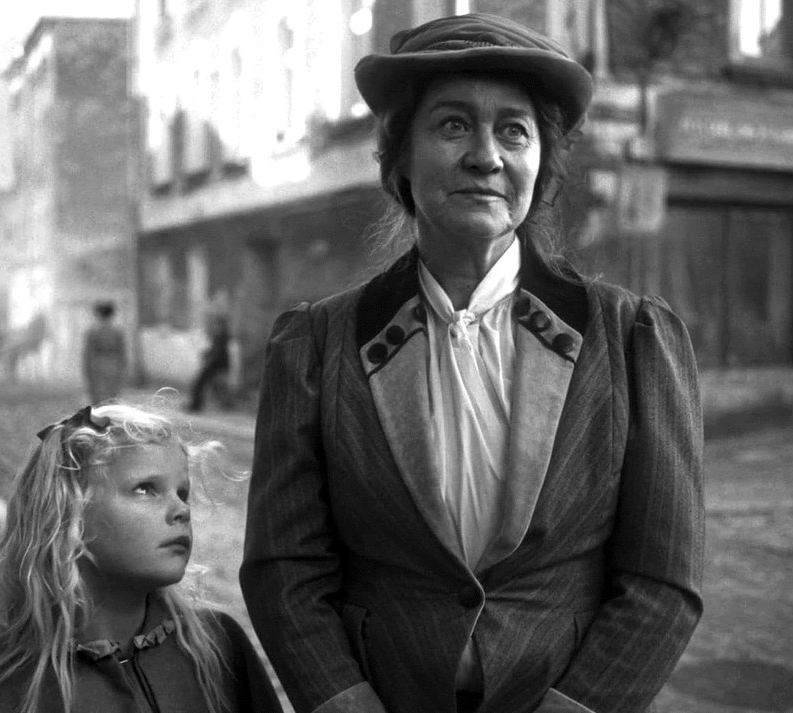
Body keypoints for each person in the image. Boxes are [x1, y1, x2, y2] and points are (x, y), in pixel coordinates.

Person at [240, 13, 703, 713]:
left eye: (513, 130)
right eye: (452, 125)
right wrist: (342, 699)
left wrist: (578, 705)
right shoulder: (316, 345)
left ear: (540, 162)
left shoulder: (629, 335)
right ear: (398, 158)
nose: (485, 155)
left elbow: (662, 576)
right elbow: (284, 566)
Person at [0, 403, 281, 713]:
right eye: (146, 489)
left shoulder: (220, 647)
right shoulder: (6, 696)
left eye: (182, 492)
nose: (180, 510)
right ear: (70, 516)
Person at [83, 301, 128, 404]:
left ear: (99, 314)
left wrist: (87, 368)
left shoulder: (93, 331)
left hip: (97, 365)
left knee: (97, 396)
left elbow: (88, 352)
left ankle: (98, 417)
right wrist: (123, 366)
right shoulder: (118, 332)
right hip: (114, 365)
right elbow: (122, 351)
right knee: (112, 395)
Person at [187, 315, 231, 413]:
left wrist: (209, 359)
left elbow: (218, 352)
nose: (215, 326)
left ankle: (195, 405)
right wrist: (207, 354)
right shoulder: (220, 335)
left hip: (216, 364)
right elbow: (216, 350)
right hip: (216, 363)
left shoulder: (221, 335)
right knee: (204, 383)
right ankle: (196, 404)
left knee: (200, 382)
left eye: (216, 324)